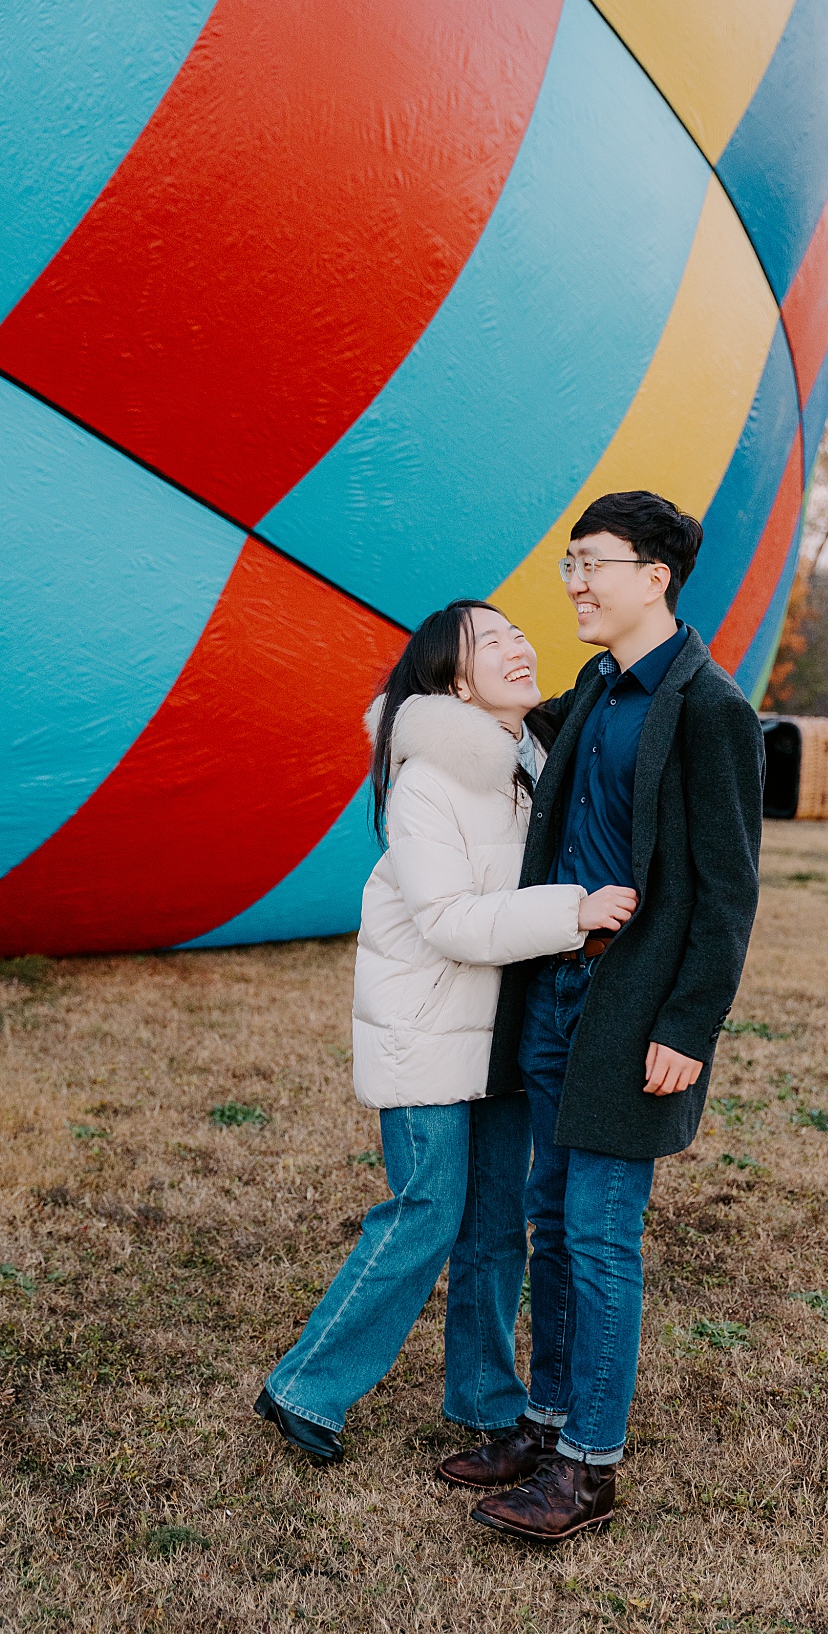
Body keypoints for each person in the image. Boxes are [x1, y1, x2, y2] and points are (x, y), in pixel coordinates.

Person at [451, 490, 764, 1544]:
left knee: (599, 1236)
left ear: (654, 576)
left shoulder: (710, 708)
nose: (574, 581)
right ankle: (544, 1422)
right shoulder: (591, 688)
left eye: (592, 562)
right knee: (548, 1217)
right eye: (569, 562)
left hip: (636, 1012)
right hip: (555, 994)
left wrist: (689, 1025)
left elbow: (727, 891)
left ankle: (589, 1467)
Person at [255, 602, 635, 1467]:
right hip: (428, 1025)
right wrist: (573, 913)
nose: (519, 644)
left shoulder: (535, 759)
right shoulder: (429, 775)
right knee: (427, 1210)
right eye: (492, 640)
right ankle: (305, 1383)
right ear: (456, 680)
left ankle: (483, 1399)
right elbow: (451, 919)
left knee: (497, 1225)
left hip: (503, 1029)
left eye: (518, 631)